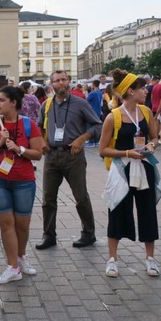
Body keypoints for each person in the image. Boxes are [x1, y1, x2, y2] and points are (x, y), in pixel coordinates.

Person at [0, 86, 44, 284]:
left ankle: (22, 256)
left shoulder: (29, 125)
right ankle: (12, 267)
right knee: (7, 224)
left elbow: (38, 154)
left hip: (24, 181)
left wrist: (19, 148)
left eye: (2, 100)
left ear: (13, 102)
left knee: (22, 224)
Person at [99, 70, 161, 278]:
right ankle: (112, 259)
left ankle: (150, 258)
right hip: (122, 168)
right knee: (117, 210)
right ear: (130, 91)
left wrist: (151, 146)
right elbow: (103, 149)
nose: (146, 91)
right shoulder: (113, 117)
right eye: (142, 88)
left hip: (144, 167)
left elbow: (155, 137)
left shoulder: (145, 112)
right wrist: (127, 153)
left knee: (147, 211)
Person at [37, 70, 102, 250]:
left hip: (73, 156)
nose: (61, 83)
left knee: (80, 196)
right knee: (48, 198)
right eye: (57, 80)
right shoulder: (46, 105)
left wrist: (83, 138)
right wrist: (42, 141)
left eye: (64, 79)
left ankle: (88, 234)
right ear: (51, 85)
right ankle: (49, 235)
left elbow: (98, 124)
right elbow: (37, 126)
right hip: (51, 156)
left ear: (69, 82)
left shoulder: (80, 104)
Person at [85, 81, 103, 147]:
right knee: (96, 126)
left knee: (90, 126)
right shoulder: (100, 92)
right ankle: (96, 141)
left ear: (94, 85)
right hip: (98, 111)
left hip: (92, 111)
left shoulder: (92, 93)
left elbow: (86, 101)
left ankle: (91, 141)